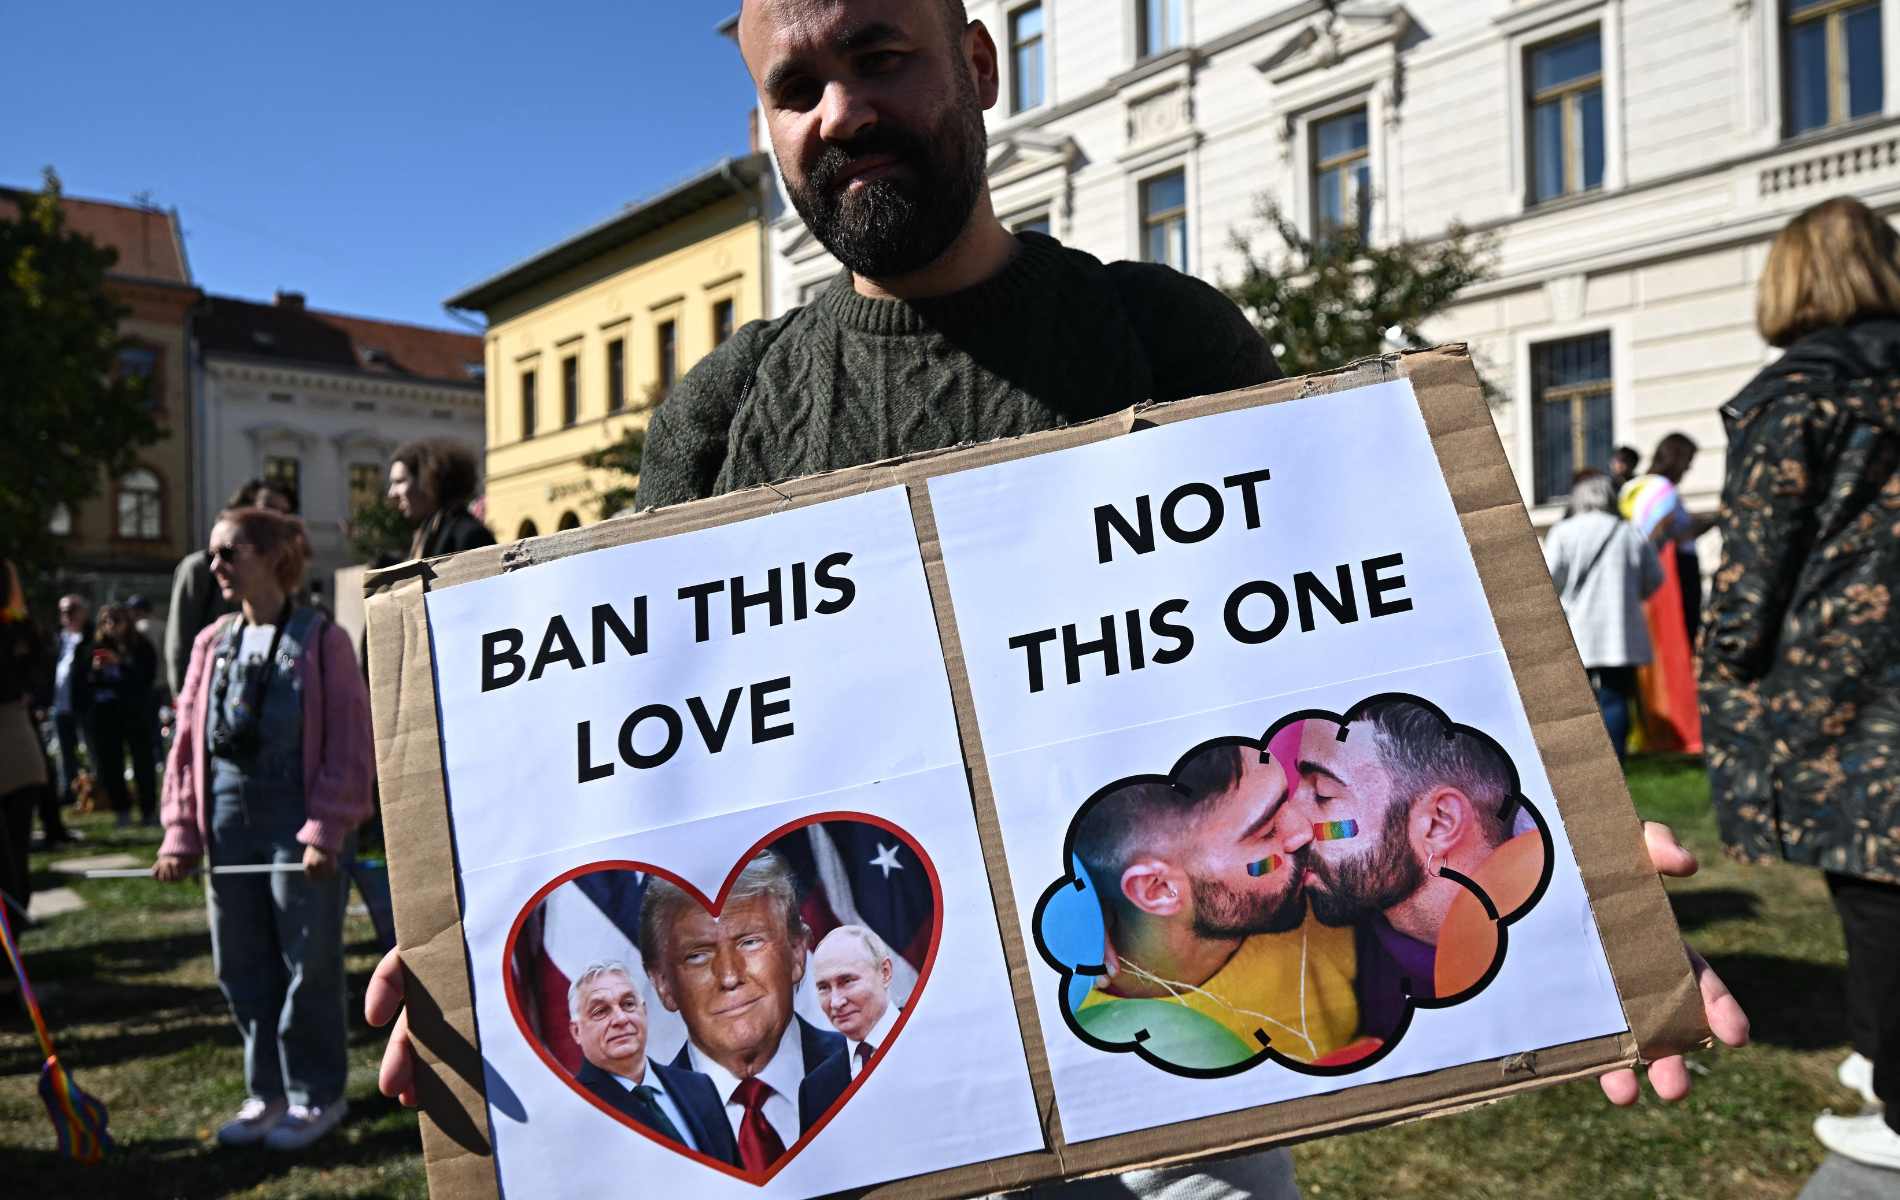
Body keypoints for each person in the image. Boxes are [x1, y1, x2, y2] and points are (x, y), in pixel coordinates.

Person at [367, 3, 1749, 1189]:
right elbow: (641, 764)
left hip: (1180, 1084)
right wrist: (490, 950)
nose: (842, 110)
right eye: (795, 87)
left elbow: (1351, 641)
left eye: (882, 55)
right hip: (880, 1094)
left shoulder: (1168, 333)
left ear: (979, 62)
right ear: (763, 130)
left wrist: (1561, 878)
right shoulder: (723, 417)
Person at [1702, 195, 1900, 1172]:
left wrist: (1730, 656)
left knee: (1875, 886)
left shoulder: (1797, 391)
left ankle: (1898, 1096)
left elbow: (1752, 568)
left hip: (1852, 686)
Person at [154, 506, 374, 1151]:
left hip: (296, 823)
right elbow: (188, 746)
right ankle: (267, 1091)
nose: (216, 565)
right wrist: (179, 833)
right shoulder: (208, 643)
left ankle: (315, 1095)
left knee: (307, 965)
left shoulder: (321, 639)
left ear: (276, 556)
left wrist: (328, 830)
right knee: (240, 963)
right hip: (227, 825)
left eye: (232, 552)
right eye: (214, 552)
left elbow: (348, 743)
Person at [1071, 738, 1368, 1065]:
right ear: (1158, 888)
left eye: (1288, 797)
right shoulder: (1084, 1033)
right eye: (1267, 830)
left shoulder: (1324, 887)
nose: (1303, 828)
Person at [1290, 700, 1546, 1009]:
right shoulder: (1340, 960)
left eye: (1323, 794)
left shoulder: (1551, 960)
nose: (1289, 825)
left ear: (1439, 823)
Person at [636, 852, 847, 1170]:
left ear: (797, 953)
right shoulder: (641, 1128)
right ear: (663, 985)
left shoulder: (866, 1074)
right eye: (697, 956)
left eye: (750, 942)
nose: (730, 976)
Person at [566, 960, 738, 1163]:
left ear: (644, 1011)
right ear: (577, 1031)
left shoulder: (700, 1088)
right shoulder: (574, 1113)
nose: (621, 1019)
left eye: (628, 1004)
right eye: (601, 1011)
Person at [1545, 471, 1663, 761]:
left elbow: (1549, 578)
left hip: (1577, 625)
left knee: (1575, 697)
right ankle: (1616, 760)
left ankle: (1582, 758)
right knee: (1616, 696)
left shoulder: (1564, 531)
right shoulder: (1630, 532)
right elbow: (1654, 579)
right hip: (1619, 628)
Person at [1618, 433, 1708, 754]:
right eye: (1687, 462)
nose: (1688, 469)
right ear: (1677, 458)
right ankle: (1679, 727)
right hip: (1673, 578)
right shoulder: (1664, 491)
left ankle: (1651, 727)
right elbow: (1661, 535)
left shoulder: (1634, 487)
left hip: (1643, 582)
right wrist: (1713, 519)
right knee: (1678, 645)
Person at [165, 479, 296, 698]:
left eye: (284, 512)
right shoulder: (199, 569)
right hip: (211, 701)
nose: (278, 518)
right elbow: (179, 644)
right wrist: (188, 705)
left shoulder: (283, 570)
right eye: (269, 508)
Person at [0, 559, 50, 914]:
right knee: (14, 850)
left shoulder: (16, 628)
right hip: (18, 742)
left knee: (13, 852)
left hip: (14, 743)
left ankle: (10, 941)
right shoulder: (18, 627)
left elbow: (38, 670)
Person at [86, 603, 160, 827]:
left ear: (127, 622)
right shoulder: (95, 647)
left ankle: (148, 810)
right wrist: (94, 670)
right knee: (111, 763)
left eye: (116, 620)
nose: (111, 626)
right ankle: (122, 809)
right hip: (107, 713)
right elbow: (83, 681)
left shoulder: (141, 646)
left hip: (136, 712)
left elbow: (146, 678)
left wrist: (121, 664)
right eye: (106, 621)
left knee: (143, 761)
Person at [810, 925, 899, 1079]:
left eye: (847, 981)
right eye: (823, 987)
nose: (836, 1002)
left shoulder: (935, 1043)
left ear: (885, 972)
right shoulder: (814, 1089)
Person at [386, 438, 494, 561]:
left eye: (399, 481)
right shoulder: (428, 532)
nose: (391, 493)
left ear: (429, 480)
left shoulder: (470, 536)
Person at [45, 593, 91, 845]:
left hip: (82, 704)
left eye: (72, 609)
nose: (67, 615)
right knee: (65, 751)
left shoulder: (91, 637)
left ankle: (95, 793)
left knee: (90, 750)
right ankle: (68, 791)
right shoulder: (57, 640)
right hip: (59, 705)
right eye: (64, 611)